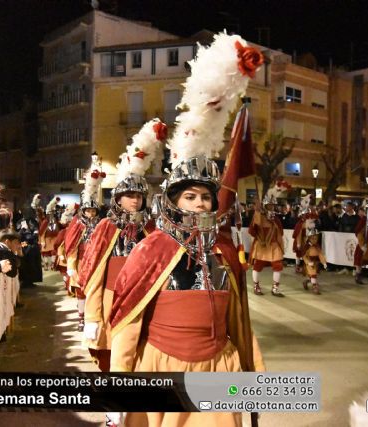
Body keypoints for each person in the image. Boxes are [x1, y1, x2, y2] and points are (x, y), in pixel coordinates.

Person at [108, 34, 266, 426]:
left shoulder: (225, 251)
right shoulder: (151, 250)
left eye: (205, 198)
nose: (199, 204)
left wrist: (255, 379)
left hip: (218, 370)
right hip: (162, 368)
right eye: (190, 197)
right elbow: (128, 325)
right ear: (175, 202)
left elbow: (240, 322)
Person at [78, 119, 165, 372]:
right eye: (130, 195)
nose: (135, 201)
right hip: (109, 297)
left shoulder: (150, 229)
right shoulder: (106, 226)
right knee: (110, 353)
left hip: (143, 298)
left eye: (139, 196)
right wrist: (93, 315)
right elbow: (94, 275)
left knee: (139, 355)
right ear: (117, 198)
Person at [68, 157, 105, 331]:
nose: (90, 213)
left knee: (96, 292)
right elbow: (72, 247)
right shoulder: (78, 224)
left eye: (93, 210)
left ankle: (94, 318)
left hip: (97, 263)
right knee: (81, 293)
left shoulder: (101, 224)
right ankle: (81, 318)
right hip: (82, 263)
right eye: (88, 210)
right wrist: (71, 267)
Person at [248, 183, 286, 296]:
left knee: (278, 265)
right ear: (265, 206)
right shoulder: (259, 216)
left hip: (274, 245)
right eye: (269, 205)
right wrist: (257, 212)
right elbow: (252, 230)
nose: (272, 207)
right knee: (258, 265)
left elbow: (281, 233)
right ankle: (256, 285)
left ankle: (275, 288)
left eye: (273, 205)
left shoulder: (276, 219)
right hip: (262, 245)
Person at [300, 218, 327, 294]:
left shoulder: (317, 246)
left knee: (312, 275)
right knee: (313, 274)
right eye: (313, 238)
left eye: (316, 238)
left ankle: (306, 282)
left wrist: (324, 262)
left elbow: (320, 254)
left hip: (316, 262)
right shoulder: (307, 246)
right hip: (310, 262)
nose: (315, 240)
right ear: (309, 238)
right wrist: (308, 262)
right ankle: (315, 287)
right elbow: (304, 255)